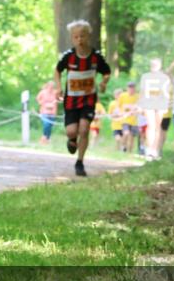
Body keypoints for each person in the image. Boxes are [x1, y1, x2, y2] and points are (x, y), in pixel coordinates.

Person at [54, 19, 111, 176]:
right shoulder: (69, 57)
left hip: (88, 99)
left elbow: (106, 72)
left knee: (85, 129)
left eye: (83, 36)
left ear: (88, 37)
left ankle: (80, 162)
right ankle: (72, 140)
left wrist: (104, 83)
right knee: (72, 131)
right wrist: (58, 88)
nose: (80, 39)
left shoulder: (96, 57)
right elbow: (57, 71)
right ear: (72, 38)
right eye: (76, 37)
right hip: (71, 100)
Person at [138, 57, 170, 160]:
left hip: (160, 104)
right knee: (151, 126)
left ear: (160, 66)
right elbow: (142, 92)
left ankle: (155, 149)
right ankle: (149, 149)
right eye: (153, 65)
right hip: (148, 103)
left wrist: (165, 105)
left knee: (158, 126)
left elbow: (166, 92)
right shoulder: (145, 77)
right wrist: (140, 105)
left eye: (156, 65)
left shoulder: (164, 78)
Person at [117, 80, 140, 154]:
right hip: (125, 119)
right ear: (127, 88)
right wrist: (121, 113)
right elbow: (118, 106)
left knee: (132, 137)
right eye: (130, 87)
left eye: (132, 87)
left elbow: (139, 107)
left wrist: (134, 110)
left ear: (135, 88)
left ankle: (129, 152)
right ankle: (123, 147)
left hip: (135, 120)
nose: (131, 89)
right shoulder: (123, 95)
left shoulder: (138, 96)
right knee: (126, 133)